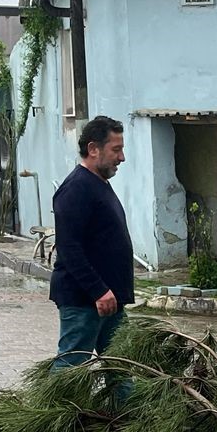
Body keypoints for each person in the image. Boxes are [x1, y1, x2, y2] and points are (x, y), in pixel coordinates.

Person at [51, 116, 135, 377]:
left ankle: (127, 416)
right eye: (116, 149)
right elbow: (69, 249)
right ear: (93, 149)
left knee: (121, 366)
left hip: (110, 300)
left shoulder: (99, 185)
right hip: (86, 301)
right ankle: (52, 416)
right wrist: (99, 291)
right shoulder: (76, 189)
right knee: (71, 369)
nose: (121, 158)